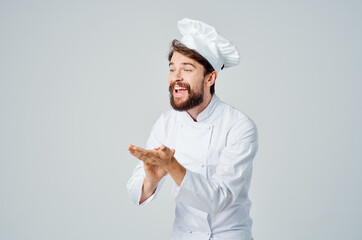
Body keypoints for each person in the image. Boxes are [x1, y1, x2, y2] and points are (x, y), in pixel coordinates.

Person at [127, 18, 258, 240]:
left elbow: (219, 199)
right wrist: (152, 178)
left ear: (210, 78)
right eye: (172, 69)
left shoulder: (239, 126)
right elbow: (135, 193)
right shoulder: (165, 123)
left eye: (187, 69)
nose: (176, 78)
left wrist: (171, 165)